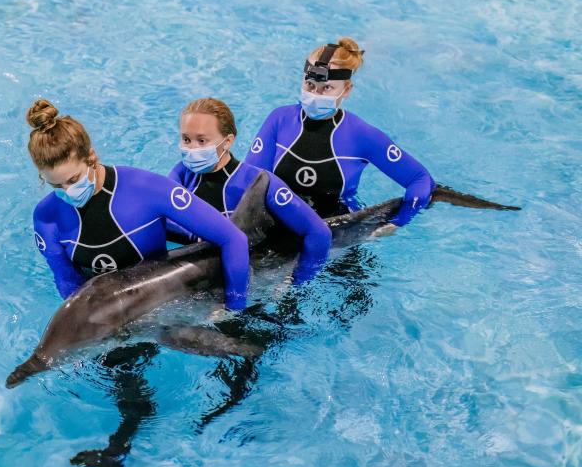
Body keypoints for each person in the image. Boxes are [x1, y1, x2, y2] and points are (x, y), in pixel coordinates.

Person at [27, 98, 251, 311]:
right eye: (56, 186)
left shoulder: (146, 188)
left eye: (74, 179)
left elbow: (233, 238)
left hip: (169, 303)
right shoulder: (46, 217)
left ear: (91, 157)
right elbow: (69, 285)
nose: (68, 191)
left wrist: (234, 310)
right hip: (114, 316)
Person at [243, 38, 434, 225]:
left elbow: (421, 180)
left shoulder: (361, 135)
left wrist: (397, 222)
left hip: (340, 231)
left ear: (347, 90)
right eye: (310, 85)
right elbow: (248, 181)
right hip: (280, 225)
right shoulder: (280, 120)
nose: (315, 95)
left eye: (326, 88)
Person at [168, 97, 331, 283]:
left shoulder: (259, 182)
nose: (192, 149)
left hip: (255, 278)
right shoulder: (181, 175)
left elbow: (319, 232)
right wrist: (197, 232)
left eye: (202, 141)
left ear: (228, 141)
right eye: (186, 139)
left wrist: (297, 283)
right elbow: (162, 218)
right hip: (206, 279)